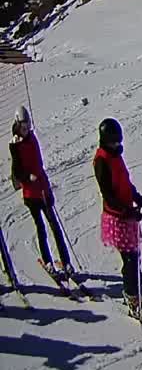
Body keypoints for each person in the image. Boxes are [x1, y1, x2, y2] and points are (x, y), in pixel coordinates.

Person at [93, 118, 142, 318]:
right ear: (105, 140)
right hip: (117, 217)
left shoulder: (116, 155)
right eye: (113, 142)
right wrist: (127, 212)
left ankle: (135, 293)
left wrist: (138, 199)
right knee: (130, 260)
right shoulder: (102, 160)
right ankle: (132, 296)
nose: (117, 145)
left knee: (134, 258)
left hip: (127, 213)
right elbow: (108, 194)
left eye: (118, 141)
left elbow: (125, 183)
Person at [10, 107, 73, 278]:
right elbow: (17, 172)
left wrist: (46, 186)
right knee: (41, 228)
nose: (27, 128)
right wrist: (27, 177)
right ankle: (48, 261)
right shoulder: (16, 145)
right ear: (18, 124)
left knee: (55, 226)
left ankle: (66, 261)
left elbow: (39, 163)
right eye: (24, 125)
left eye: (28, 124)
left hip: (43, 189)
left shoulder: (32, 138)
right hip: (31, 194)